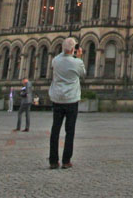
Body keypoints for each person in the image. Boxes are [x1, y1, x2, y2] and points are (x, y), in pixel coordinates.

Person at [48, 37, 86, 169]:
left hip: (57, 99)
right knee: (70, 131)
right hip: (71, 100)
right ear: (74, 49)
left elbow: (60, 56)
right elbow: (83, 74)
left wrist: (67, 49)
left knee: (55, 130)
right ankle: (66, 161)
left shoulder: (56, 61)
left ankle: (53, 161)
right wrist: (79, 56)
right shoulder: (77, 63)